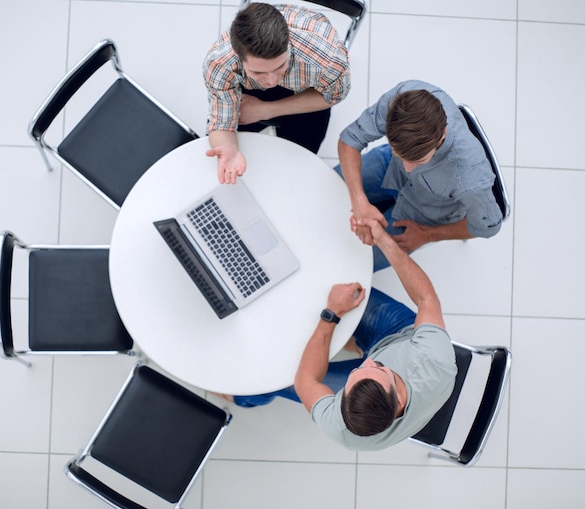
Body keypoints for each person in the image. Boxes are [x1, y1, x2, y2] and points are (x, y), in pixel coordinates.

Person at [222, 216, 456, 451]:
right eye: (376, 368)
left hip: (400, 352)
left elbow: (306, 381)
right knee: (337, 287)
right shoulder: (434, 358)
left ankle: (243, 397)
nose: (372, 362)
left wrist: (332, 314)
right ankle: (355, 342)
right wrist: (383, 239)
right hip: (400, 335)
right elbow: (426, 299)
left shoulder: (342, 426)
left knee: (276, 379)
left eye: (360, 369)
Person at [336, 80, 504, 271]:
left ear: (442, 135)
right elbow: (350, 139)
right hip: (389, 167)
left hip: (424, 213)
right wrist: (359, 201)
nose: (408, 169)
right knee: (326, 185)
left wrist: (428, 234)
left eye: (418, 160)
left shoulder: (471, 178)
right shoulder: (402, 101)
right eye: (401, 155)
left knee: (355, 264)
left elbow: (488, 227)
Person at [203, 2, 350, 184]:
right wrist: (227, 147)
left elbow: (332, 96)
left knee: (298, 163)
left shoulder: (327, 59)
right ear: (238, 57)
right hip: (246, 93)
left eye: (280, 66)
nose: (271, 81)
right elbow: (222, 125)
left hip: (305, 95)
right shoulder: (219, 63)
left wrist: (266, 110)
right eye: (258, 72)